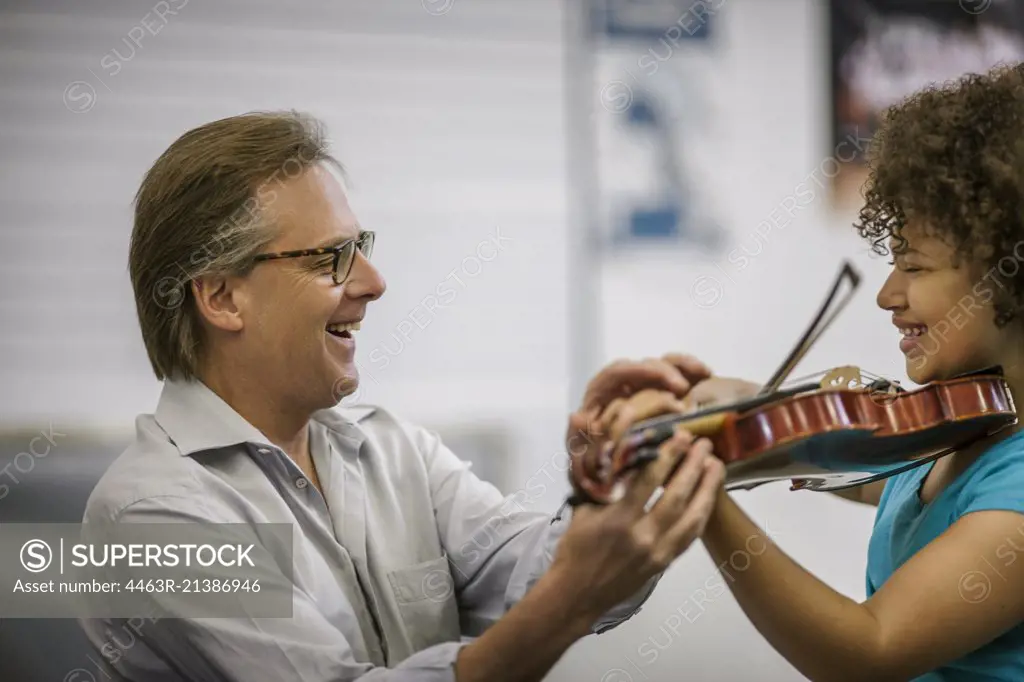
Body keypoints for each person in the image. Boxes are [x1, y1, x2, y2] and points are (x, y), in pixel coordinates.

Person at [76, 110, 726, 682]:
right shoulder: (152, 514)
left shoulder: (389, 450)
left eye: (361, 248)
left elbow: (539, 576)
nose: (375, 282)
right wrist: (570, 601)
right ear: (221, 297)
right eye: (330, 258)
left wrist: (613, 479)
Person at [599, 63, 1024, 681]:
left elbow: (868, 651)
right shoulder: (958, 432)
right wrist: (732, 406)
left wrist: (707, 500)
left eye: (916, 267)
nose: (886, 294)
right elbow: (857, 468)